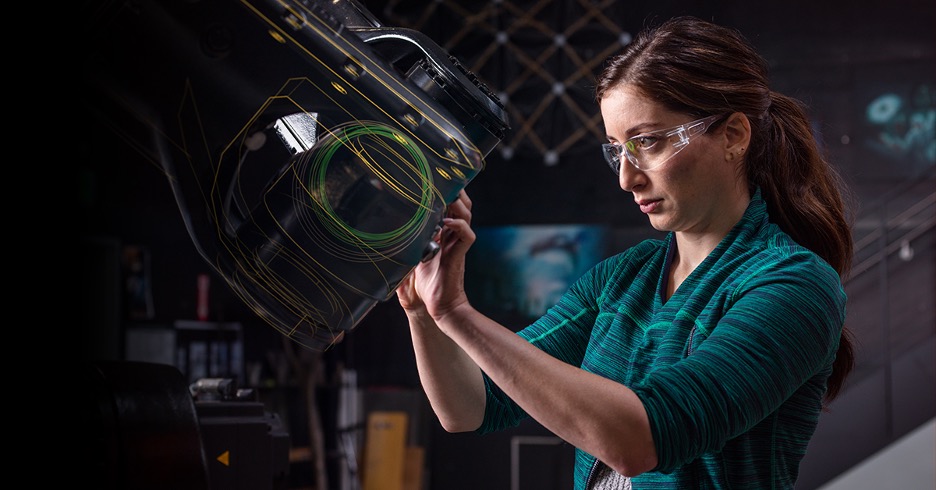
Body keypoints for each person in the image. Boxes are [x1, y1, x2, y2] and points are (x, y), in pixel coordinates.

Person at [396, 15, 855, 489]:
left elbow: (645, 438)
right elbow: (472, 407)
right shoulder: (621, 281)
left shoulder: (794, 285)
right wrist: (425, 310)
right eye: (617, 150)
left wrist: (457, 312)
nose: (626, 178)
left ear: (734, 135)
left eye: (649, 143)